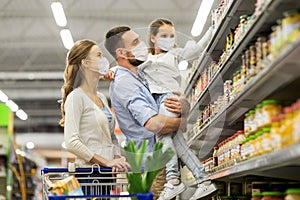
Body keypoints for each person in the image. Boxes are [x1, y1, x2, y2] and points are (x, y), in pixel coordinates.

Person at [104, 26, 188, 199]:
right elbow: (154, 124)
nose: (142, 45)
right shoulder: (125, 83)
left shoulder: (138, 74)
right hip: (152, 165)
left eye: (139, 40)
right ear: (121, 52)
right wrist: (184, 123)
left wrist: (180, 107)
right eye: (135, 42)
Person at [138, 18, 217, 200]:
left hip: (168, 99)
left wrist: (212, 28)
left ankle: (173, 179)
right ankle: (203, 180)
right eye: (164, 35)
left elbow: (196, 50)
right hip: (155, 102)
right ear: (153, 38)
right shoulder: (145, 59)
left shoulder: (173, 54)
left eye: (172, 36)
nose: (169, 39)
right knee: (179, 145)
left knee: (162, 135)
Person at [59, 39, 130, 172]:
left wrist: (116, 159)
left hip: (106, 173)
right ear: (85, 63)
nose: (104, 59)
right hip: (89, 173)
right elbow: (71, 142)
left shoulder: (101, 97)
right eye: (99, 55)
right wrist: (106, 162)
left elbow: (111, 136)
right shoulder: (76, 97)